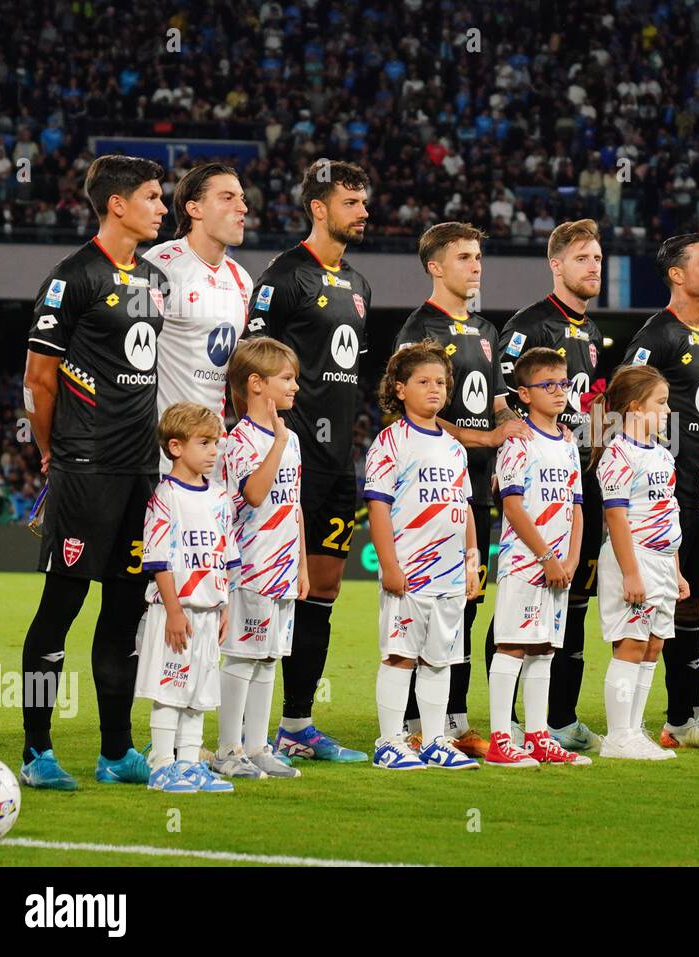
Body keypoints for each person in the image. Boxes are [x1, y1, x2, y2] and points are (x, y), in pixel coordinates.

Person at [20, 154, 170, 791]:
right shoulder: (72, 276)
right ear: (116, 204)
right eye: (154, 197)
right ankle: (36, 752)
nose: (162, 208)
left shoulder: (154, 277)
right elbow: (38, 378)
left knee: (125, 610)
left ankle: (116, 753)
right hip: (86, 467)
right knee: (62, 604)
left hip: (141, 468)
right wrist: (54, 453)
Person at [246, 160, 372, 763]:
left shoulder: (360, 284)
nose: (364, 211)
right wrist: (270, 435)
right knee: (271, 590)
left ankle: (296, 726)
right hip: (286, 459)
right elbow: (249, 363)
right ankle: (243, 734)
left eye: (363, 201)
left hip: (338, 461)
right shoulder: (283, 276)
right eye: (351, 201)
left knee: (321, 591)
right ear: (318, 208)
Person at [394, 221, 525, 758]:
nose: (476, 266)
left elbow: (495, 400)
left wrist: (516, 424)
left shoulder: (487, 332)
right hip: (426, 492)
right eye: (465, 257)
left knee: (464, 604)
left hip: (475, 491)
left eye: (478, 257)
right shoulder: (418, 330)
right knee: (419, 609)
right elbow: (406, 411)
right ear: (435, 266)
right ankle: (409, 722)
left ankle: (452, 718)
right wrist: (488, 437)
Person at [495, 218, 606, 753]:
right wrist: (512, 431)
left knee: (572, 605)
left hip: (577, 477)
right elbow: (498, 394)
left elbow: (592, 407)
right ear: (556, 265)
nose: (594, 267)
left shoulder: (592, 332)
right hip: (534, 479)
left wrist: (604, 449)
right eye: (583, 258)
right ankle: (509, 721)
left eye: (598, 258)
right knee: (519, 607)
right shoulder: (531, 325)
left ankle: (557, 719)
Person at [623, 234, 699, 750]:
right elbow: (623, 398)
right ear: (678, 275)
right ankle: (673, 717)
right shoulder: (658, 334)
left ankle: (688, 713)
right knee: (677, 605)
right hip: (672, 494)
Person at [364, 342, 482, 770]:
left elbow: (465, 508)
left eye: (441, 382)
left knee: (440, 658)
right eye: (423, 382)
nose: (435, 389)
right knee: (400, 655)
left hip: (450, 575)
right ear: (399, 389)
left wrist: (472, 562)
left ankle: (434, 740)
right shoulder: (391, 442)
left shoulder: (454, 447)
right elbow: (378, 505)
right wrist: (389, 566)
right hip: (410, 571)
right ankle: (389, 742)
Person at [487, 347, 590, 767]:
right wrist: (547, 556)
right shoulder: (517, 440)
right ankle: (499, 738)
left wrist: (570, 560)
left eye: (563, 383)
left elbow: (577, 505)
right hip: (525, 563)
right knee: (511, 645)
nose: (559, 391)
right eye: (547, 385)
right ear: (524, 394)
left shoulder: (568, 443)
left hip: (559, 566)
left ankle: (537, 735)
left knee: (545, 649)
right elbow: (512, 506)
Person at [212, 337, 307, 779]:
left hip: (284, 566)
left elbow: (295, 504)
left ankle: (257, 745)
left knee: (269, 657)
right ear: (256, 384)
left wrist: (302, 564)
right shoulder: (241, 439)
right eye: (286, 379)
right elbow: (253, 493)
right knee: (242, 656)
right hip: (250, 565)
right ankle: (227, 750)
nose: (295, 388)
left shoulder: (291, 439)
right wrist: (279, 442)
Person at [136, 402, 240, 794]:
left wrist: (225, 605)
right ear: (176, 446)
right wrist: (175, 611)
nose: (215, 450)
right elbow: (159, 560)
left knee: (200, 693)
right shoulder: (166, 496)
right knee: (170, 689)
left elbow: (225, 556)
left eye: (216, 442)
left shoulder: (219, 497)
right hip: (174, 612)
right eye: (205, 442)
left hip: (209, 612)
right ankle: (162, 765)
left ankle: (189, 761)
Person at [594, 364, 685, 760]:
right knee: (630, 645)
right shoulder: (618, 453)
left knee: (652, 647)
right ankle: (618, 736)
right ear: (634, 407)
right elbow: (616, 517)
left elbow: (669, 512)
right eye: (661, 403)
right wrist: (631, 573)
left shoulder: (663, 455)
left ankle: (633, 730)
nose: (668, 411)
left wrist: (677, 570)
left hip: (663, 562)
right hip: (635, 560)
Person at [144, 162, 251, 436]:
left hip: (214, 451)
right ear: (195, 209)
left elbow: (237, 375)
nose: (242, 208)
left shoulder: (242, 279)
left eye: (242, 198)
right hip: (160, 452)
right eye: (227, 198)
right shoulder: (159, 266)